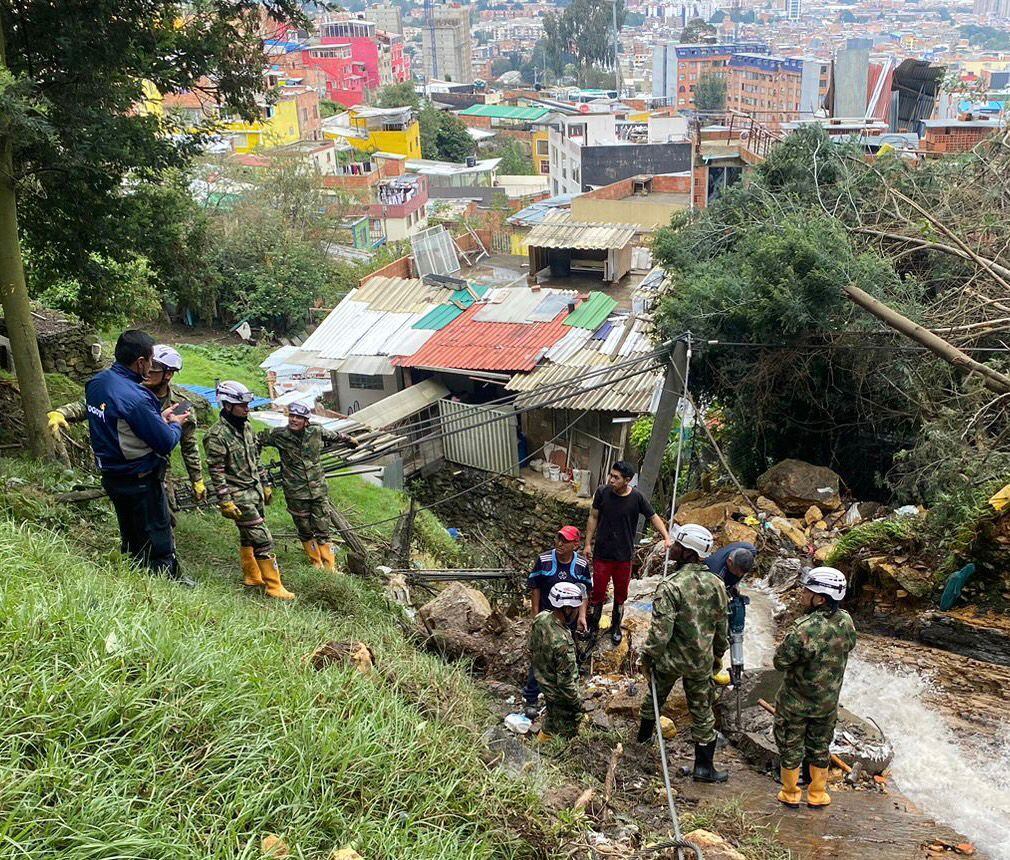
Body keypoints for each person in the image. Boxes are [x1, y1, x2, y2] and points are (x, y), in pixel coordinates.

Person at [85, 330, 192, 584]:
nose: (152, 366)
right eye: (151, 360)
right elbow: (164, 442)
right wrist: (174, 423)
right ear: (141, 362)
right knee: (158, 542)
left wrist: (157, 420)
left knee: (132, 538)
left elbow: (120, 423)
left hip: (113, 476)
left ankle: (135, 581)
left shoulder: (97, 383)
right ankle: (162, 591)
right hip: (140, 480)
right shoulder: (136, 397)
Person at [49, 344, 206, 510]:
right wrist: (62, 412)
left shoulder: (180, 407)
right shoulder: (127, 394)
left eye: (155, 369)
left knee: (165, 515)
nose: (148, 371)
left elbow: (189, 446)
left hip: (159, 468)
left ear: (168, 374)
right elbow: (90, 404)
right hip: (128, 469)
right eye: (149, 364)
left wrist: (197, 480)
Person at [637, 523, 730, 783]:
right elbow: (721, 629)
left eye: (677, 545)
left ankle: (641, 749)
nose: (672, 547)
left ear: (689, 552)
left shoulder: (670, 586)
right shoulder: (717, 585)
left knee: (654, 701)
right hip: (700, 661)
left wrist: (647, 658)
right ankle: (704, 768)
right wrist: (716, 658)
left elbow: (660, 633)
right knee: (702, 711)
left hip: (669, 660)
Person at [773, 566, 856, 810]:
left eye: (806, 590)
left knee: (790, 744)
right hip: (827, 703)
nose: (802, 594)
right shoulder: (846, 621)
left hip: (795, 703)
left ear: (819, 598)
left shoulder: (803, 628)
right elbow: (849, 645)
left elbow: (780, 662)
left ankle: (790, 793)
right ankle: (818, 793)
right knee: (820, 745)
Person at [203, 381, 294, 601]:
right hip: (238, 495)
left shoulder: (246, 427)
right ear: (227, 406)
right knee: (263, 539)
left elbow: (255, 459)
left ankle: (252, 575)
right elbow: (216, 471)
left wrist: (264, 483)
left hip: (254, 490)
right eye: (241, 405)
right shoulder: (216, 436)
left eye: (247, 404)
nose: (247, 409)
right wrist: (224, 500)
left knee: (248, 536)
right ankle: (274, 586)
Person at [258, 401, 356, 571]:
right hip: (295, 492)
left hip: (318, 490)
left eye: (299, 417)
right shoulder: (279, 435)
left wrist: (349, 440)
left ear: (306, 421)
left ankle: (329, 566)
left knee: (323, 528)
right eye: (292, 416)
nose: (294, 420)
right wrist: (259, 470)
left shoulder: (316, 431)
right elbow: (256, 440)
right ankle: (316, 563)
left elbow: (334, 436)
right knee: (304, 528)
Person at [584, 460, 672, 645]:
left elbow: (653, 516)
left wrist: (666, 536)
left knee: (621, 594)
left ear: (627, 480)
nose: (611, 480)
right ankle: (593, 626)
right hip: (602, 554)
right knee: (598, 592)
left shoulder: (637, 498)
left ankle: (616, 626)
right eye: (611, 475)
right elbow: (593, 516)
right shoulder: (602, 493)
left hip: (623, 556)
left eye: (616, 477)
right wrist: (587, 544)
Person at [523, 526, 591, 719]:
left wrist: (582, 616)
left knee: (565, 657)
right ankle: (531, 697)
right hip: (546, 617)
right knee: (539, 656)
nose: (560, 543)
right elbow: (535, 587)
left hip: (569, 618)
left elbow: (584, 591)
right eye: (558, 539)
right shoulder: (544, 560)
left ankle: (562, 696)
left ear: (575, 545)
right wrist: (535, 615)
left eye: (565, 541)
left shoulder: (580, 564)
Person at [529, 581, 584, 741]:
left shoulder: (541, 618)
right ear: (567, 608)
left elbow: (531, 648)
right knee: (565, 733)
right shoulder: (562, 642)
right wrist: (579, 705)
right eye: (575, 608)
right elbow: (565, 684)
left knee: (551, 721)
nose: (576, 613)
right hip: (559, 696)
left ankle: (539, 745)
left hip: (543, 682)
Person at [705, 541, 757, 685]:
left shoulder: (750, 550)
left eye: (743, 572)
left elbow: (740, 571)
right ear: (729, 561)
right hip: (713, 591)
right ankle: (710, 671)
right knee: (715, 632)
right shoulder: (714, 571)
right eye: (738, 571)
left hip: (727, 585)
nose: (740, 574)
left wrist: (735, 586)